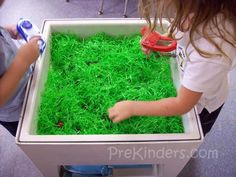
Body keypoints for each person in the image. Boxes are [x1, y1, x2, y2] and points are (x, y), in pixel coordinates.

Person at [108, 0, 236, 136]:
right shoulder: (199, 10)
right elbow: (180, 32)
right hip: (190, 78)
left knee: (193, 136)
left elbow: (182, 105)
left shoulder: (210, 54)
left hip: (201, 105)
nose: (179, 20)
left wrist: (133, 108)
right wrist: (161, 40)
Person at [0, 0, 40, 136]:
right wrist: (22, 61)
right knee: (34, 134)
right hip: (15, 111)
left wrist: (6, 31)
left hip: (27, 83)